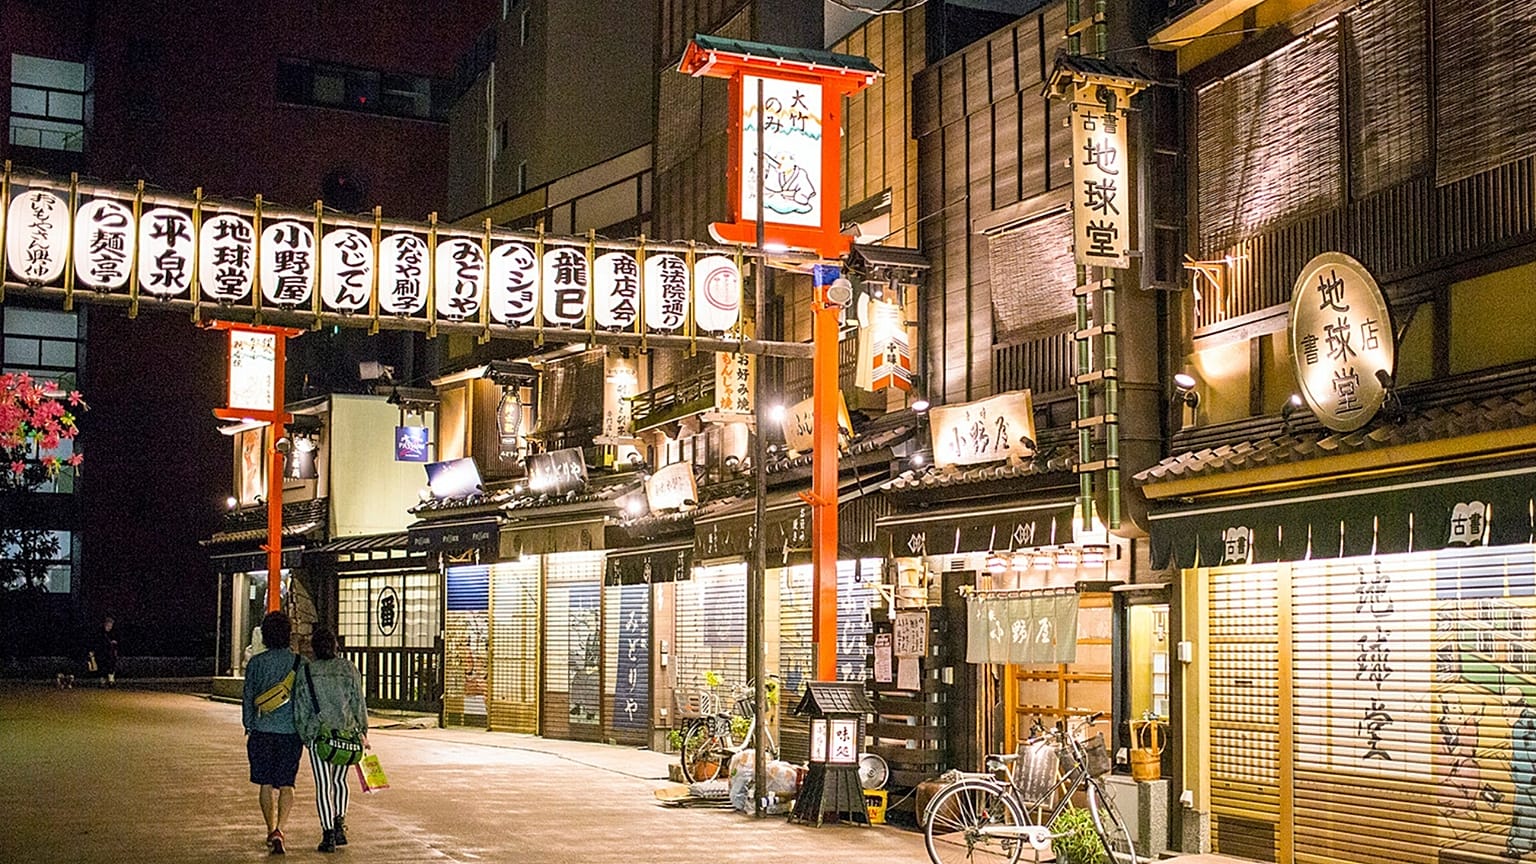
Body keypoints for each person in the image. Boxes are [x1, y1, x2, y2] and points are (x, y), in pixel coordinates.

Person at [293, 625, 368, 853]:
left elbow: (301, 707)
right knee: (340, 781)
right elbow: (358, 701)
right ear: (335, 646)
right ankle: (339, 824)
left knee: (323, 785)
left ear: (314, 648)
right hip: (346, 734)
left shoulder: (307, 672)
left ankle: (328, 836)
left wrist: (307, 736)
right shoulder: (348, 668)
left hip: (320, 736)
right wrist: (362, 730)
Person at [242, 611, 303, 855]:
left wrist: (249, 724)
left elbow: (248, 697)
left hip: (262, 731)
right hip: (290, 733)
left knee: (265, 783)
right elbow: (303, 700)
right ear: (288, 635)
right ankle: (281, 828)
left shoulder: (256, 663)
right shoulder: (299, 663)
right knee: (287, 784)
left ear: (265, 635)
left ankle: (270, 829)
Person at [94, 616, 119, 687]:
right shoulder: (100, 633)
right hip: (102, 653)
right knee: (102, 666)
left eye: (111, 626)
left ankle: (111, 680)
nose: (109, 627)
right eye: (108, 625)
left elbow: (117, 643)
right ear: (105, 624)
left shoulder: (113, 633)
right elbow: (98, 643)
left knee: (111, 666)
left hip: (111, 653)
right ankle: (102, 681)